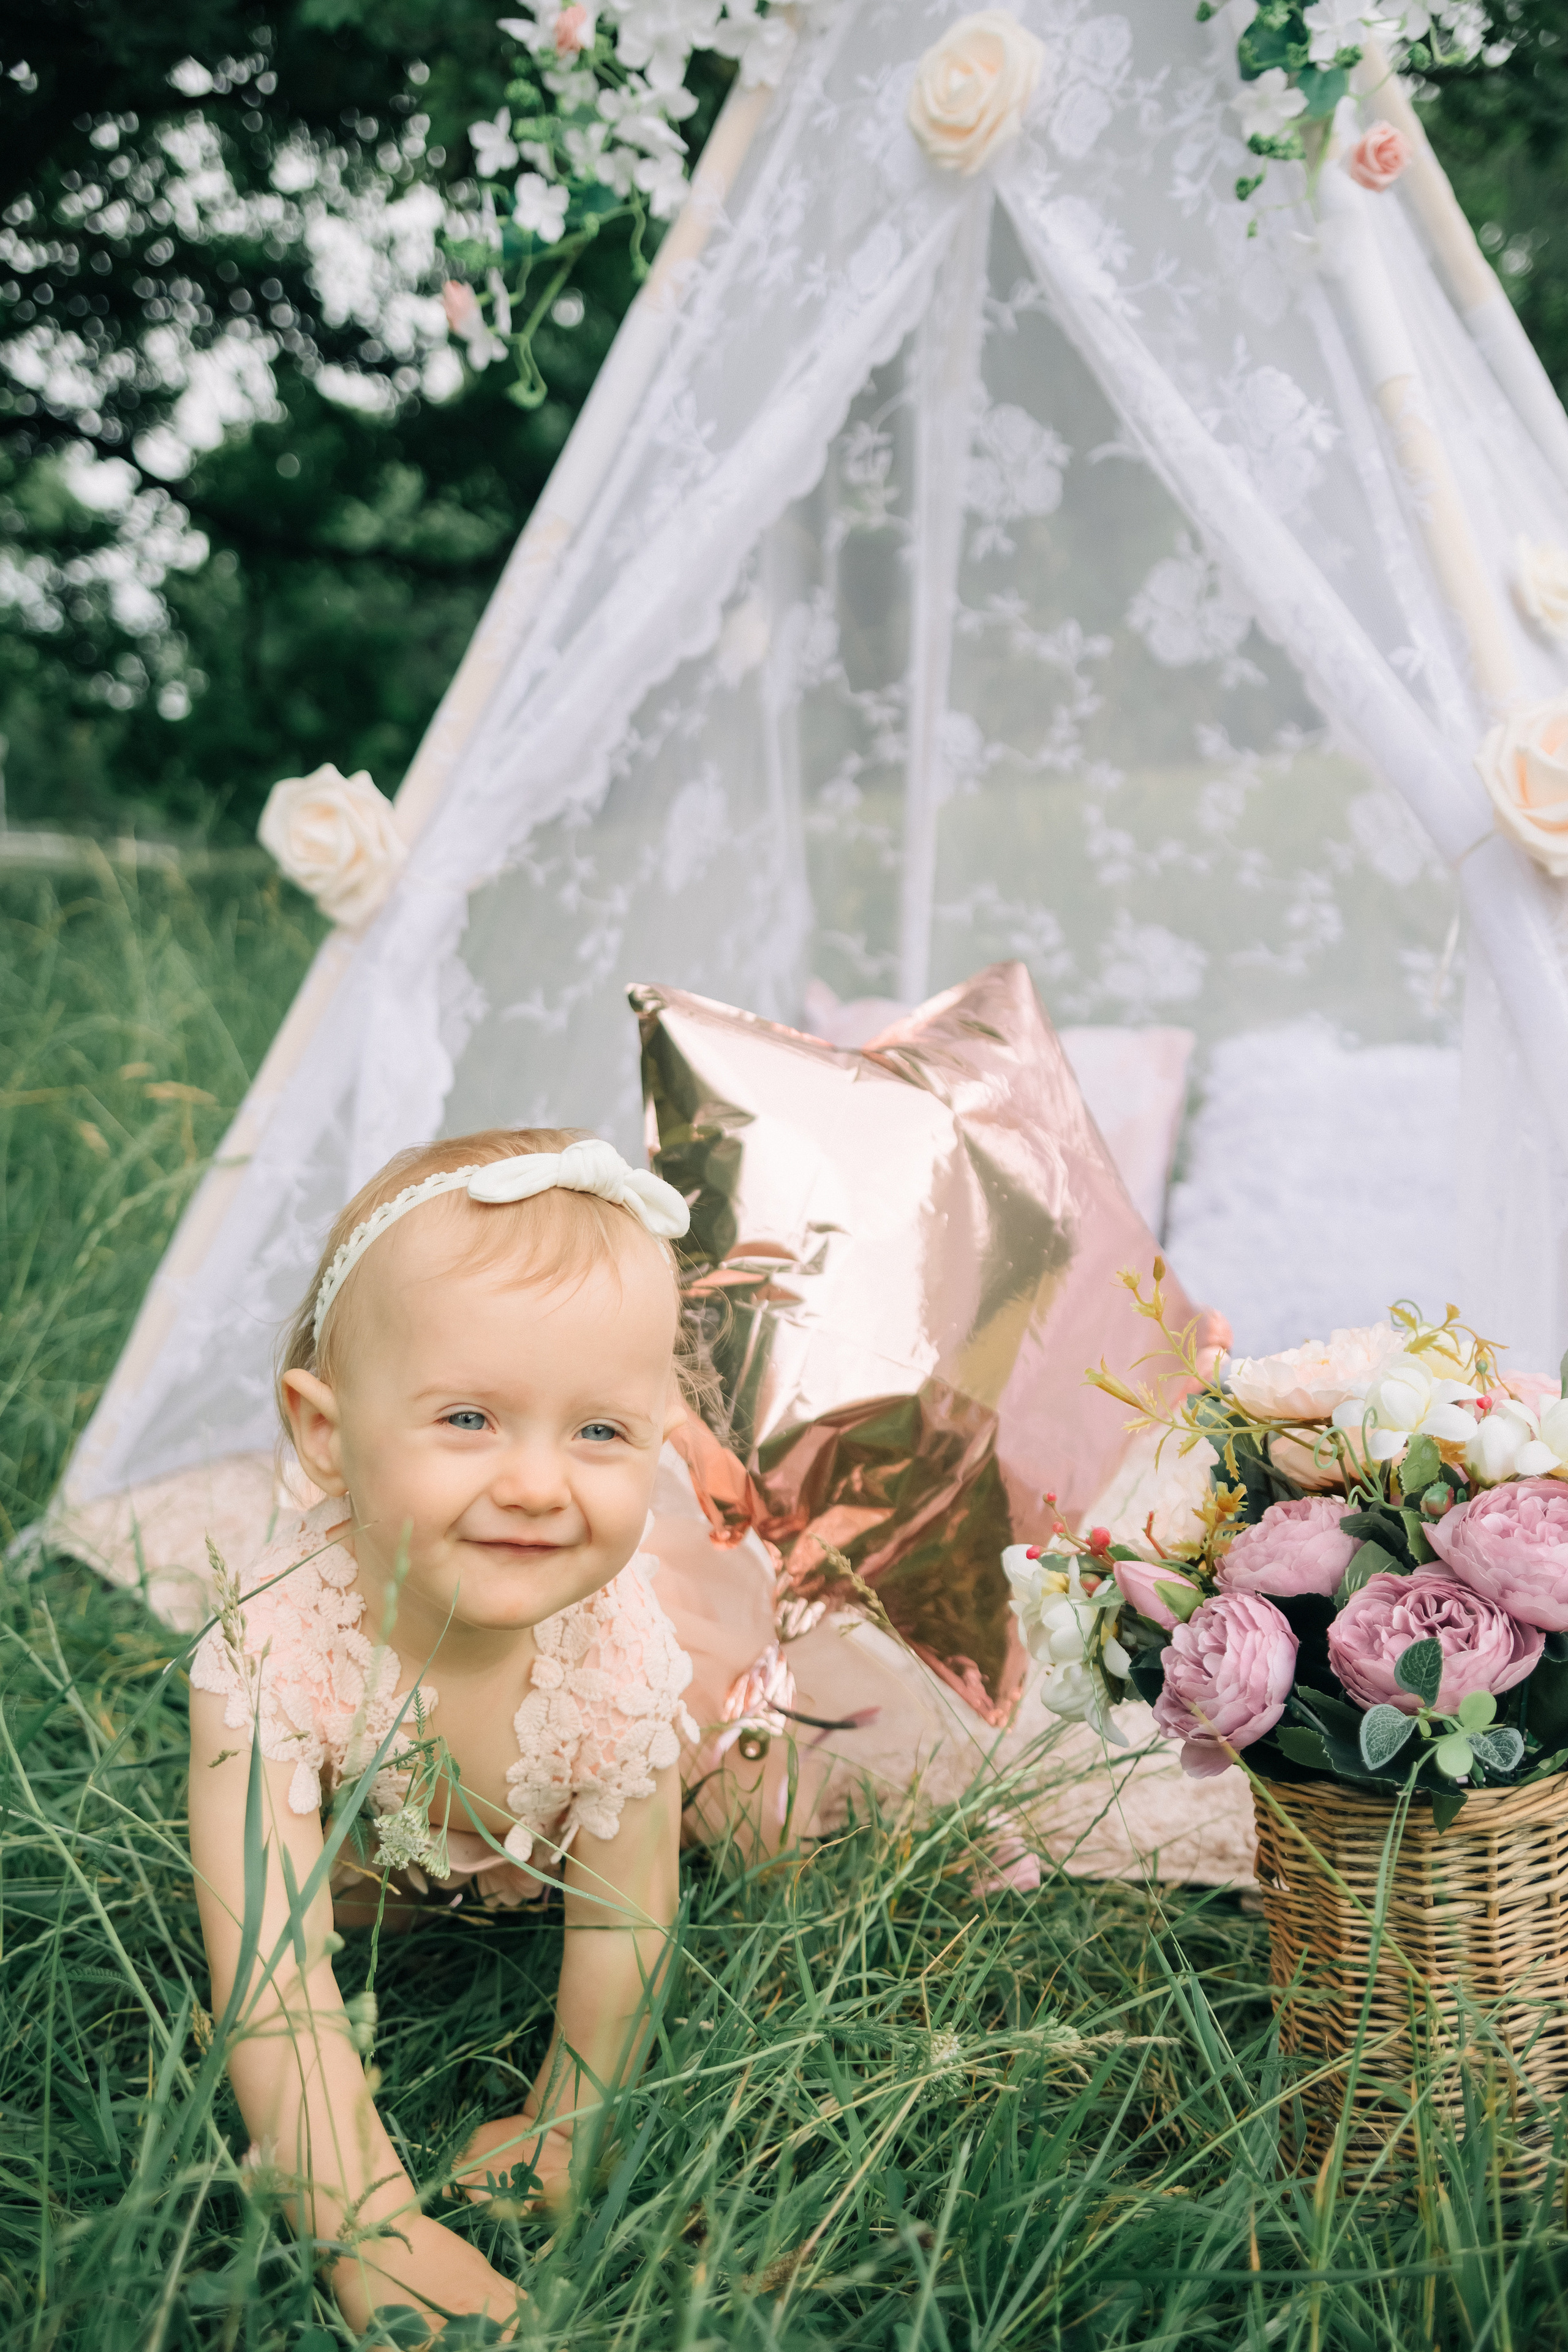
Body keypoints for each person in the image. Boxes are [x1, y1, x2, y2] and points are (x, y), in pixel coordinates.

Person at [186, 1128, 712, 2337]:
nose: (538, 1484)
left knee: (754, 1801)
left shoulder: (618, 1662)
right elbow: (269, 1968)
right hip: (372, 1891)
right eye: (470, 1417)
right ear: (324, 1434)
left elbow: (628, 1915)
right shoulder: (271, 1650)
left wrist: (566, 2121)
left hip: (528, 1877)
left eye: (600, 1433)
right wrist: (364, 2226)